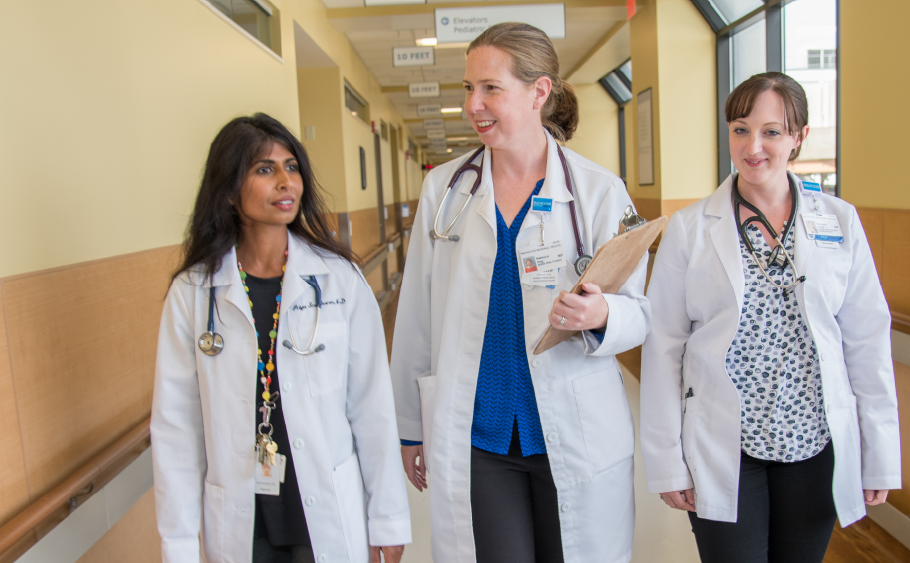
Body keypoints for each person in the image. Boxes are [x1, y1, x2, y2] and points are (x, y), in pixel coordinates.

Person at [390, 22, 650, 563]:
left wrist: (602, 313)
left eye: (490, 88)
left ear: (539, 92)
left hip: (573, 431)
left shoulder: (598, 191)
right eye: (468, 88)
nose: (474, 105)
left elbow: (640, 313)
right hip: (481, 433)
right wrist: (409, 427)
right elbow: (416, 313)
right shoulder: (446, 189)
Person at [640, 72, 901, 563]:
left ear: (799, 137)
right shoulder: (691, 227)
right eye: (740, 129)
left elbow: (867, 340)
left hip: (814, 443)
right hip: (723, 445)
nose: (753, 146)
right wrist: (666, 462)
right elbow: (663, 347)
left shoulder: (838, 221)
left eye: (771, 131)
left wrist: (879, 455)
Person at [151, 113, 411, 563]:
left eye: (291, 167)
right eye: (264, 169)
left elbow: (371, 404)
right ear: (230, 190)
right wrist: (177, 543)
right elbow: (176, 427)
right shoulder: (193, 293)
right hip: (242, 515)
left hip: (323, 507)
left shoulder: (337, 280)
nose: (285, 182)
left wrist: (387, 517)